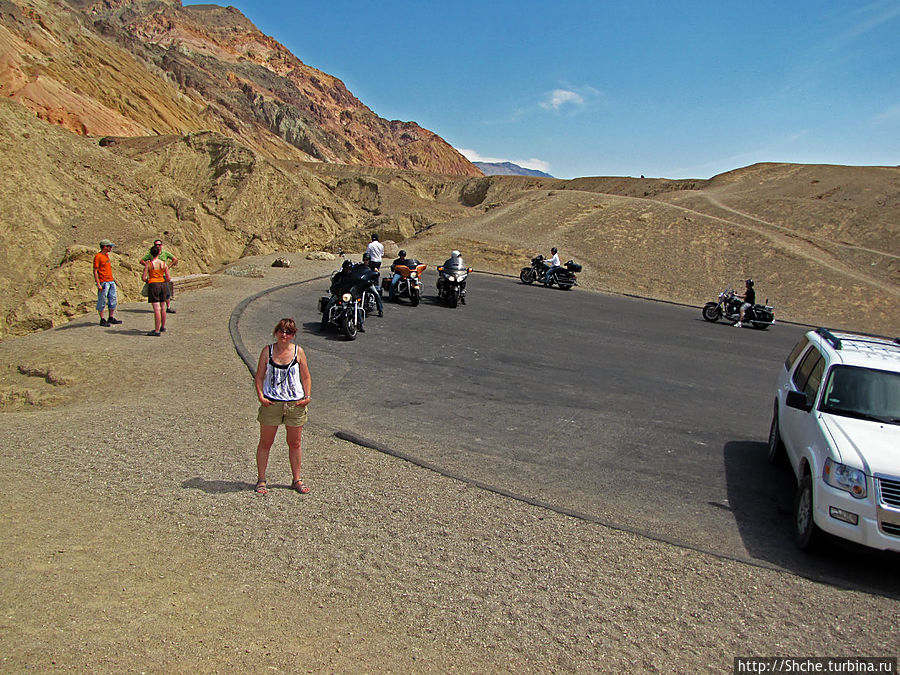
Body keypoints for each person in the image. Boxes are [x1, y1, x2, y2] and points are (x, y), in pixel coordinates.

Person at [254, 318, 312, 495]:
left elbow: (306, 377)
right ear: (276, 332)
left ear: (293, 335)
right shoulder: (267, 351)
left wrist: (307, 397)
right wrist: (261, 397)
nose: (284, 335)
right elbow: (259, 376)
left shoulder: (298, 352)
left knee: (295, 443)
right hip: (272, 403)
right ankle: (261, 480)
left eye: (288, 332)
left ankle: (297, 479)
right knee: (266, 442)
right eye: (281, 331)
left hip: (295, 403)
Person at [141, 238, 178, 314]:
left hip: (162, 276)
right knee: (157, 294)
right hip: (154, 277)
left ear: (162, 245)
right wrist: (148, 266)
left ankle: (167, 307)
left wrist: (168, 266)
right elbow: (141, 260)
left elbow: (175, 259)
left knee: (167, 293)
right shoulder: (151, 254)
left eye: (159, 244)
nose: (158, 246)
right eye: (156, 245)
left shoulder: (165, 253)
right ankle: (160, 310)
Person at [141, 244, 171, 336]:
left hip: (153, 284)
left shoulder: (149, 264)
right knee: (163, 307)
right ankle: (163, 326)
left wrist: (148, 280)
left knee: (156, 309)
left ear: (151, 253)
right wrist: (163, 280)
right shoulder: (163, 263)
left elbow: (143, 277)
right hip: (162, 284)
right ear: (159, 253)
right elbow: (168, 278)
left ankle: (157, 330)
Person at [93, 239, 121, 326]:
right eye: (109, 246)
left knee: (113, 299)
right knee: (102, 300)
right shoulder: (98, 257)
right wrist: (98, 283)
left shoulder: (106, 256)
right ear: (105, 247)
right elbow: (95, 271)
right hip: (103, 281)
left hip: (110, 281)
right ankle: (102, 319)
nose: (111, 248)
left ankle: (111, 317)